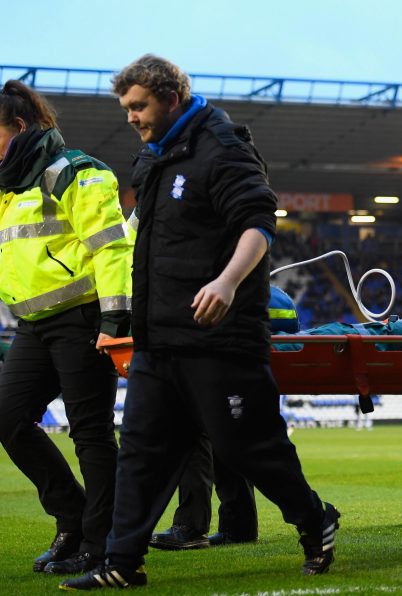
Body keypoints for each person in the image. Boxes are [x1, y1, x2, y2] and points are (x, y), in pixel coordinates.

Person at [60, 55, 338, 590]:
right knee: (139, 449)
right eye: (126, 109)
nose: (131, 118)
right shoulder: (152, 159)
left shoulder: (224, 149)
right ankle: (121, 562)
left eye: (139, 106)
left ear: (171, 97)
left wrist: (229, 281)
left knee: (245, 447)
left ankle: (313, 517)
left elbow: (258, 223)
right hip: (159, 337)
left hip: (220, 337)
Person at [0, 80, 133, 575]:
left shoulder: (78, 172)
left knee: (91, 433)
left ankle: (103, 544)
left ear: (19, 127)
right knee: (7, 417)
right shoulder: (9, 188)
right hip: (33, 325)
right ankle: (74, 521)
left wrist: (115, 320)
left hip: (83, 317)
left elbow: (112, 248)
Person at [149, 285, 299, 551]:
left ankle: (191, 526)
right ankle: (239, 524)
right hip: (251, 358)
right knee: (225, 432)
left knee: (192, 427)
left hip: (219, 352)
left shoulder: (205, 282)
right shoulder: (272, 294)